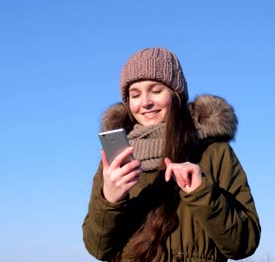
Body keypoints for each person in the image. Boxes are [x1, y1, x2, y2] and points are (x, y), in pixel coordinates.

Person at [82, 47, 261, 262]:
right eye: (135, 94)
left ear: (176, 95)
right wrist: (109, 200)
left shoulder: (214, 152)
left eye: (156, 90)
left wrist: (201, 193)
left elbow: (245, 243)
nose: (145, 102)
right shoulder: (117, 159)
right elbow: (98, 248)